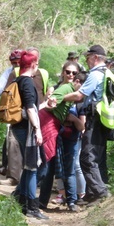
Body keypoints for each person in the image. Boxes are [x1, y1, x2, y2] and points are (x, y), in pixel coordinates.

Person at [60, 44, 112, 203]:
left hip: (94, 118)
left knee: (87, 157)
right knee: (97, 156)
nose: (87, 61)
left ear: (96, 58)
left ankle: (101, 192)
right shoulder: (107, 72)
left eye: (88, 57)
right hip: (104, 118)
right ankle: (92, 193)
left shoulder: (96, 74)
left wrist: (60, 97)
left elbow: (79, 95)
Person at [37, 67, 86, 212]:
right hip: (55, 134)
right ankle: (42, 202)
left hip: (71, 137)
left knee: (70, 169)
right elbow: (48, 107)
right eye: (68, 72)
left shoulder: (80, 98)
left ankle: (71, 202)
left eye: (74, 72)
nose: (71, 75)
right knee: (49, 169)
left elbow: (82, 125)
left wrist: (72, 118)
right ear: (64, 72)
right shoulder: (59, 90)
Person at [9, 51, 50, 220]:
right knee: (33, 167)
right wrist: (37, 129)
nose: (37, 68)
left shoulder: (19, 80)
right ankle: (32, 208)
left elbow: (32, 106)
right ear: (33, 65)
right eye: (37, 64)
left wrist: (46, 104)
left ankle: (20, 200)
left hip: (21, 127)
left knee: (30, 167)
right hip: (26, 129)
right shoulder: (27, 82)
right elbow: (30, 109)